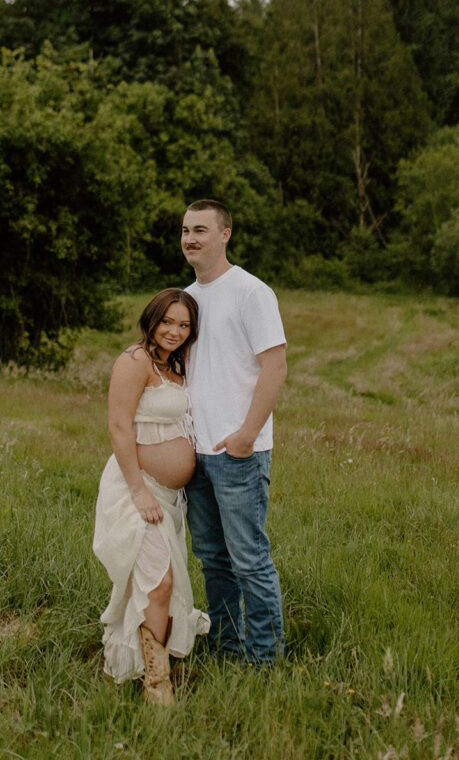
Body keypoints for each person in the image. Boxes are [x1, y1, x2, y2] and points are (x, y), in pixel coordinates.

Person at [181, 199, 287, 666]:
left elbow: (276, 365)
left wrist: (246, 434)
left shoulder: (250, 292)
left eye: (201, 229)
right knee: (212, 559)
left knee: (248, 560)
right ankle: (228, 648)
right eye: (185, 230)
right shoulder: (186, 298)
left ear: (225, 234)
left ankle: (265, 660)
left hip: (237, 452)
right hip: (195, 454)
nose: (190, 238)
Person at [93, 288, 209, 705]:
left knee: (158, 584)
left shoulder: (174, 366)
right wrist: (139, 491)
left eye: (184, 325)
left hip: (169, 496)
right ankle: (157, 686)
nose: (175, 331)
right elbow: (119, 428)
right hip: (135, 488)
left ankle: (137, 667)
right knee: (158, 584)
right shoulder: (135, 361)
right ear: (152, 318)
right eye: (168, 321)